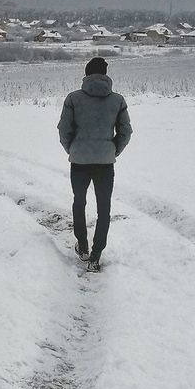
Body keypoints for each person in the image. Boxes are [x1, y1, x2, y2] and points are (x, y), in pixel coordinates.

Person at [57, 56, 132, 271]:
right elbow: (125, 131)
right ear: (106, 75)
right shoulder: (117, 100)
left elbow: (64, 129)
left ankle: (82, 246)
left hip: (79, 161)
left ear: (86, 74)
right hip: (105, 163)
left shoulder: (73, 98)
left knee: (79, 202)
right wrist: (112, 149)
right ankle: (96, 254)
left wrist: (72, 148)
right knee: (104, 208)